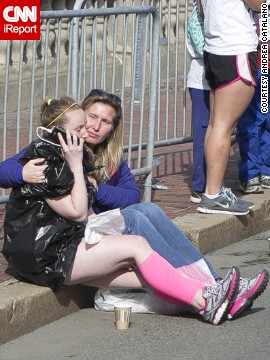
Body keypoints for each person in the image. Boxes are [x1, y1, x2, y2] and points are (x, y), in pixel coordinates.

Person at [0, 90, 268, 320]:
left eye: (105, 122)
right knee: (138, 220)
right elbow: (12, 172)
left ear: (113, 127)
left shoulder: (106, 155)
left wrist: (98, 188)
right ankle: (214, 291)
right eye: (90, 119)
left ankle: (215, 292)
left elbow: (130, 195)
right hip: (62, 243)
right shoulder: (50, 154)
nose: (94, 127)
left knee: (147, 211)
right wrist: (23, 174)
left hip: (82, 234)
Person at [197, 0, 265, 215]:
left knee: (216, 124)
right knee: (222, 127)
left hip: (216, 47)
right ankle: (212, 195)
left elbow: (200, 9)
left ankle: (212, 192)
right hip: (234, 46)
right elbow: (259, 3)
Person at [237, 7, 270, 194]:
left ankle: (265, 169)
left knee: (265, 117)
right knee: (252, 119)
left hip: (264, 61)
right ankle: (250, 173)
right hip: (256, 61)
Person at [186, 0, 210, 203]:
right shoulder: (196, 18)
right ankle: (199, 185)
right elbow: (205, 49)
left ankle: (212, 181)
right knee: (202, 133)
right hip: (202, 82)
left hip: (218, 82)